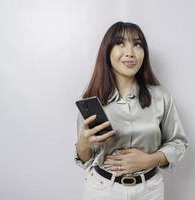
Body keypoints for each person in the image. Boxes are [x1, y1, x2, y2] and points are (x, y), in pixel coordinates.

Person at [74, 21, 188, 200]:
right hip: (102, 191)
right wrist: (83, 144)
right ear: (107, 51)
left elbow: (178, 143)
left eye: (137, 44)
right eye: (120, 43)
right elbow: (85, 159)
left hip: (150, 191)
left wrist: (150, 160)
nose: (130, 52)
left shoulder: (162, 97)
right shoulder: (91, 101)